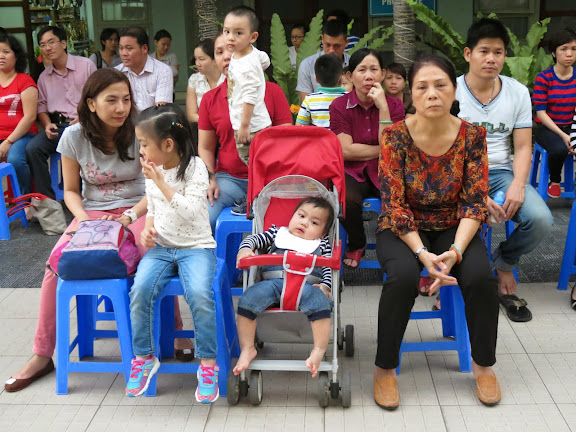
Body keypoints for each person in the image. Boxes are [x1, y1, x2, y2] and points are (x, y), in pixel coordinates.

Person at [375, 55, 501, 409]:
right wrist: (421, 254)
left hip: (453, 226)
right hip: (403, 230)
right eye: (422, 87)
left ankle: (484, 365)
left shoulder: (473, 136)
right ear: (411, 95)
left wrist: (456, 251)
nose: (432, 94)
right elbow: (393, 203)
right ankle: (385, 368)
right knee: (401, 277)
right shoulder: (394, 136)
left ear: (454, 88)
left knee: (479, 277)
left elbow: (475, 201)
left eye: (440, 85)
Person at [455, 18, 553, 321]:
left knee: (540, 219)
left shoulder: (518, 92)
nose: (491, 59)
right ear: (468, 53)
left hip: (501, 171)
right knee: (464, 219)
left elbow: (523, 146)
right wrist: (475, 194)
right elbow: (441, 152)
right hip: (459, 174)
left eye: (498, 52)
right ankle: (459, 288)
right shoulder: (452, 90)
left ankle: (505, 262)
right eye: (484, 51)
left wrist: (518, 185)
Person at [126, 104, 219, 403]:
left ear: (167, 144)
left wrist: (160, 182)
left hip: (196, 248)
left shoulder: (195, 168)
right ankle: (144, 356)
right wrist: (147, 229)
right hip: (163, 248)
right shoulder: (152, 169)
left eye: (143, 144)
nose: (140, 151)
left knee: (200, 296)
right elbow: (153, 207)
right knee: (140, 290)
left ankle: (207, 365)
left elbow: (192, 211)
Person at [198, 30, 292, 229]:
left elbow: (286, 140)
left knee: (282, 224)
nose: (226, 56)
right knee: (205, 220)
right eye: (219, 52)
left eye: (231, 49)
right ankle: (215, 260)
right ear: (214, 60)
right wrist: (210, 179)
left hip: (270, 179)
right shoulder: (210, 99)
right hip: (230, 180)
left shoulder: (273, 92)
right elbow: (206, 148)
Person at [233, 197, 334, 377]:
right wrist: (245, 249)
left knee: (321, 302)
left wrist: (326, 286)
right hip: (273, 283)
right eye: (301, 215)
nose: (304, 223)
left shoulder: (322, 244)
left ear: (323, 232)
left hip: (307, 286)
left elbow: (328, 268)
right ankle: (247, 348)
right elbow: (253, 240)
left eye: (314, 222)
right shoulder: (276, 233)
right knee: (247, 299)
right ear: (293, 215)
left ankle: (318, 350)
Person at [329, 49, 405, 268]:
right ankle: (357, 244)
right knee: (346, 199)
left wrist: (382, 107)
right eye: (362, 70)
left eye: (374, 70)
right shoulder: (339, 106)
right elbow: (345, 151)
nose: (368, 76)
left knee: (401, 199)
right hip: (352, 170)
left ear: (382, 74)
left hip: (387, 170)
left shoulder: (394, 106)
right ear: (350, 76)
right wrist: (382, 149)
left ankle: (396, 250)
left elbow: (393, 149)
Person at [25, 26, 96, 200]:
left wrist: (84, 116)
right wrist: (47, 123)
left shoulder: (85, 65)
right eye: (42, 45)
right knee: (33, 149)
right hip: (59, 126)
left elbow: (99, 95)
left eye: (51, 42)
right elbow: (41, 106)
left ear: (63, 43)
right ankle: (47, 201)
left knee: (77, 142)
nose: (47, 48)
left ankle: (77, 196)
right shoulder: (44, 77)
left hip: (85, 124)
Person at [223, 6, 271, 166]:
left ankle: (262, 190)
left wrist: (244, 126)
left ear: (253, 37)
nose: (230, 37)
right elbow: (265, 60)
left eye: (238, 33)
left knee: (252, 162)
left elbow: (249, 96)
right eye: (227, 31)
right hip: (255, 122)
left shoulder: (247, 64)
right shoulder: (249, 53)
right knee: (259, 164)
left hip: (252, 125)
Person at [533, 29, 576, 198]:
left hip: (571, 126)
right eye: (564, 49)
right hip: (548, 129)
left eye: (573, 49)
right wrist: (564, 136)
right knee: (559, 149)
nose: (569, 54)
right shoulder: (544, 78)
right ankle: (555, 180)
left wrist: (573, 134)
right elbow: (541, 113)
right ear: (553, 52)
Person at [0, 34, 38, 195]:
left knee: (15, 159)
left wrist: (8, 141)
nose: (1, 56)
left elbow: (29, 117)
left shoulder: (25, 80)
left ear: (16, 55)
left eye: (6, 51)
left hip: (23, 135)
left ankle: (24, 199)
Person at [116, 27, 173, 111]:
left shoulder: (162, 71)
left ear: (144, 49)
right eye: (121, 48)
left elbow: (162, 110)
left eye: (129, 48)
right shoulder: (116, 73)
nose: (124, 53)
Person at [297, 20, 350, 102]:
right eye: (328, 45)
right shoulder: (307, 65)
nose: (331, 50)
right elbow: (306, 104)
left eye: (337, 46)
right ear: (322, 39)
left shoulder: (355, 65)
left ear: (346, 42)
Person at [296, 54, 346, 128]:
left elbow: (299, 126)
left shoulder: (309, 100)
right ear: (341, 78)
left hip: (318, 139)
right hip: (343, 139)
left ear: (316, 79)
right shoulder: (349, 98)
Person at [186, 38, 225, 123]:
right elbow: (191, 115)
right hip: (202, 128)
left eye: (201, 59)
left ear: (215, 59)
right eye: (196, 59)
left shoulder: (228, 78)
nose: (197, 63)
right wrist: (210, 122)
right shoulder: (194, 79)